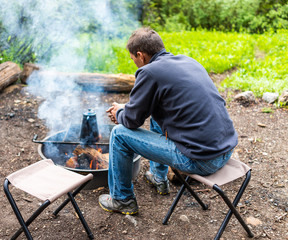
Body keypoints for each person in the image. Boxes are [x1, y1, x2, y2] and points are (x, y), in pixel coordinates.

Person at [99, 27, 238, 215]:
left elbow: (131, 121)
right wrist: (125, 109)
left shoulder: (149, 72)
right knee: (158, 113)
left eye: (133, 59)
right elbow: (147, 108)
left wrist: (119, 114)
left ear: (140, 55)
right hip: (225, 149)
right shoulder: (188, 61)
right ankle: (159, 177)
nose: (135, 64)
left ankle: (122, 199)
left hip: (200, 160)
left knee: (119, 134)